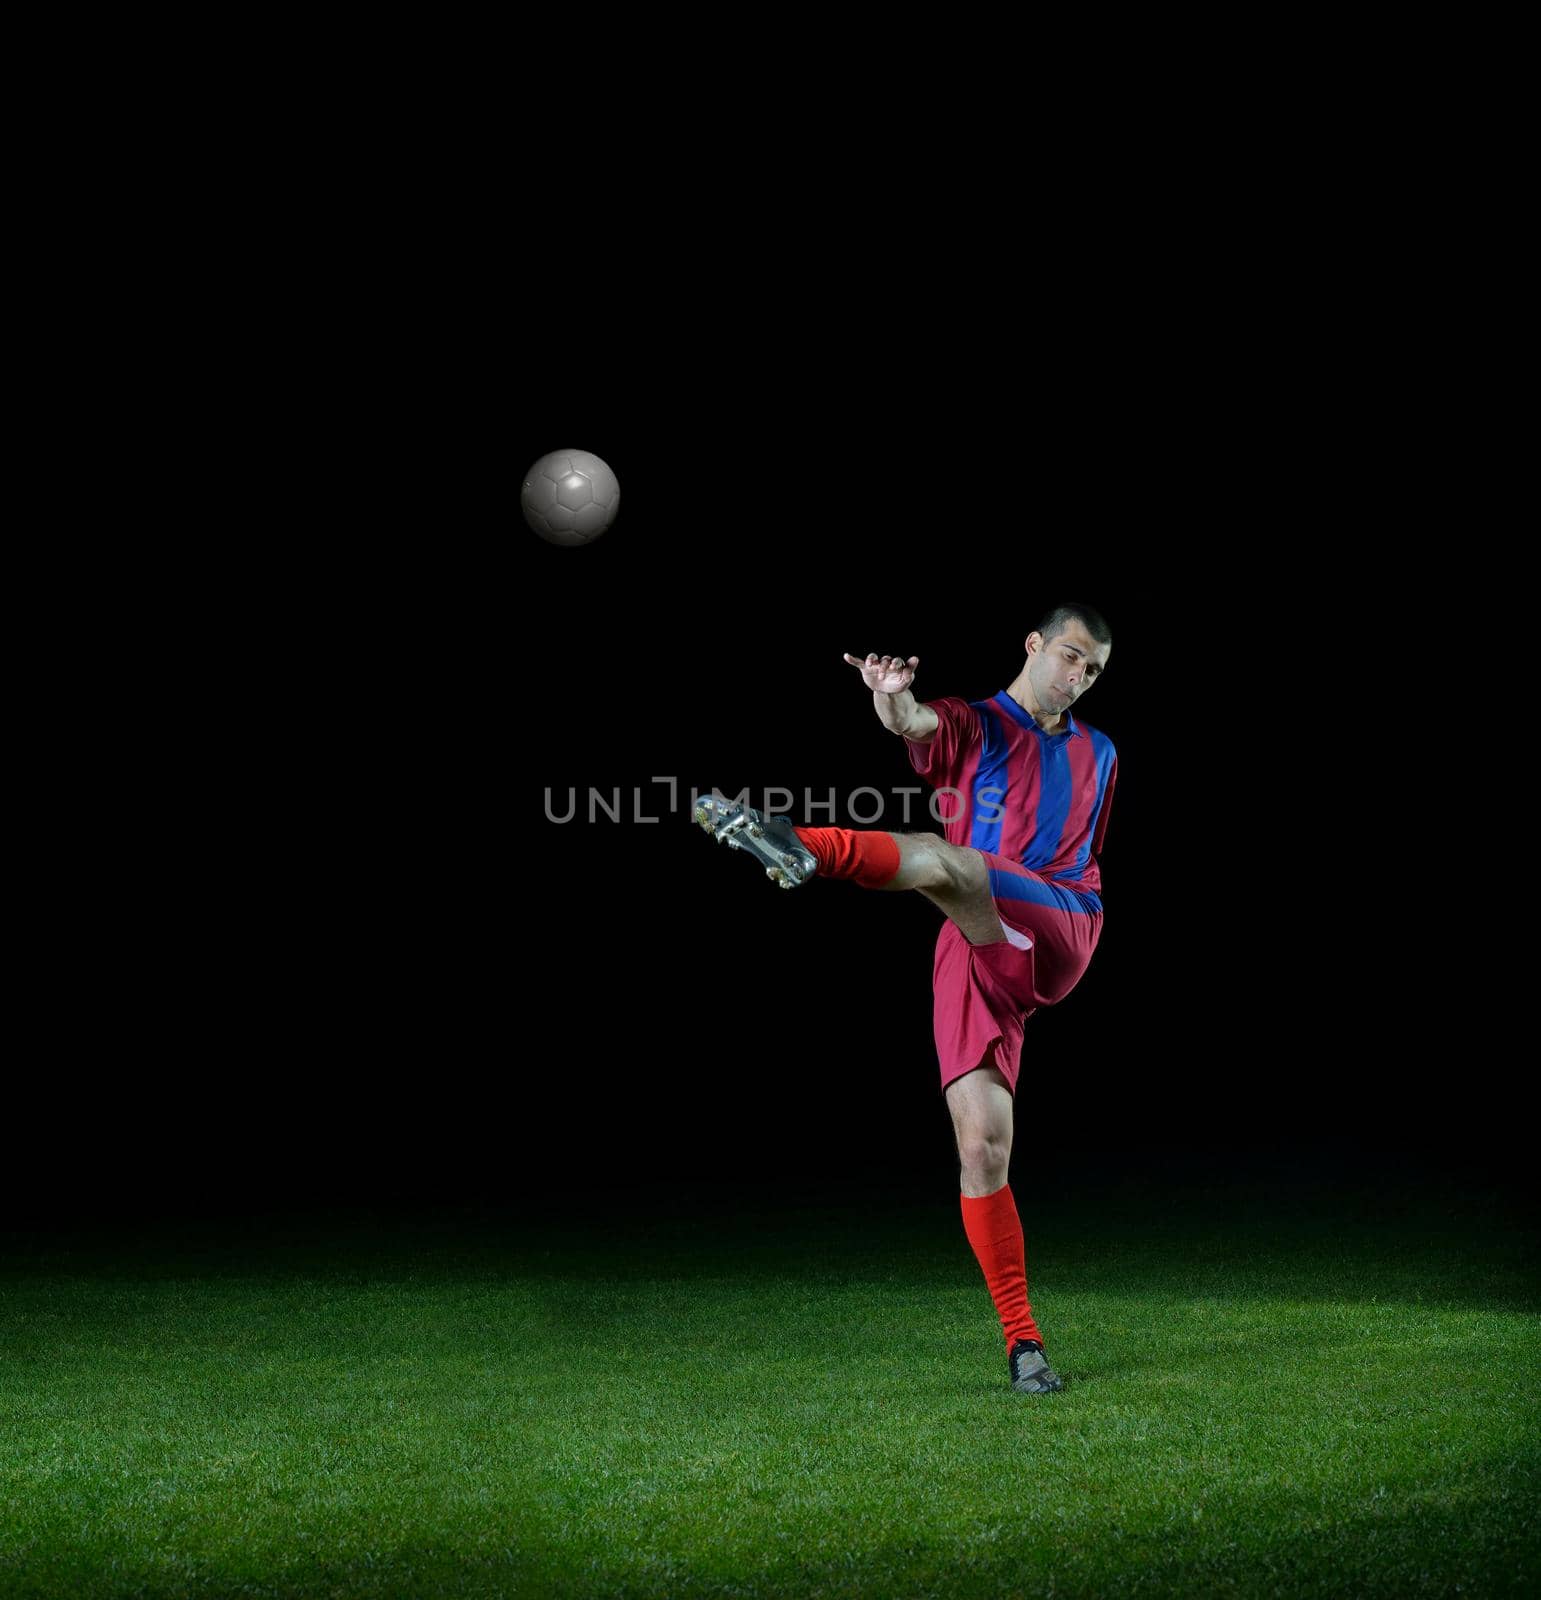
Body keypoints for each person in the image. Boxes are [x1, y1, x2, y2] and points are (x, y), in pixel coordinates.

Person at [695, 602, 1116, 1395]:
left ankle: (798, 845)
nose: (1076, 678)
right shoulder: (975, 725)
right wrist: (887, 695)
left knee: (944, 862)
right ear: (1033, 645)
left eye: (1091, 670)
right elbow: (915, 722)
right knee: (981, 1149)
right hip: (976, 941)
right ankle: (1024, 1347)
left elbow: (1067, 849)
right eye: (1068, 657)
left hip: (1060, 920)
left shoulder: (1101, 751)